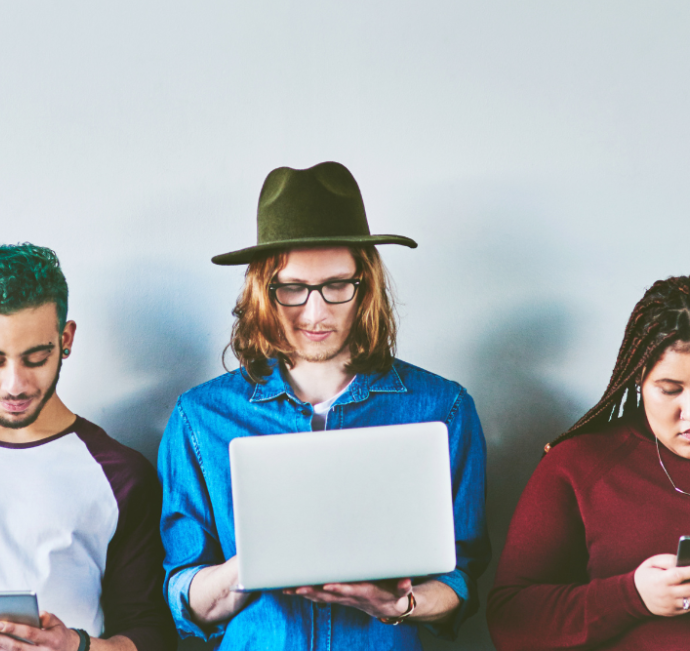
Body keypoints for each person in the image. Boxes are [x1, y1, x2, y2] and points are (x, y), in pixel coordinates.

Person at [158, 161, 490, 649]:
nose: (316, 313)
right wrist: (247, 570)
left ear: (366, 283)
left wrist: (401, 605)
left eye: (337, 285)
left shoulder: (445, 409)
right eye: (292, 288)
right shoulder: (200, 417)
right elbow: (184, 596)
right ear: (262, 289)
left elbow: (461, 578)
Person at [0, 243, 177, 651]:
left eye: (36, 358)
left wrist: (77, 647)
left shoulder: (120, 473)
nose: (14, 385)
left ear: (66, 339)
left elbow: (152, 634)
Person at [487, 273, 690, 651]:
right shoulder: (580, 464)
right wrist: (632, 597)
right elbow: (510, 620)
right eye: (670, 390)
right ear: (638, 379)